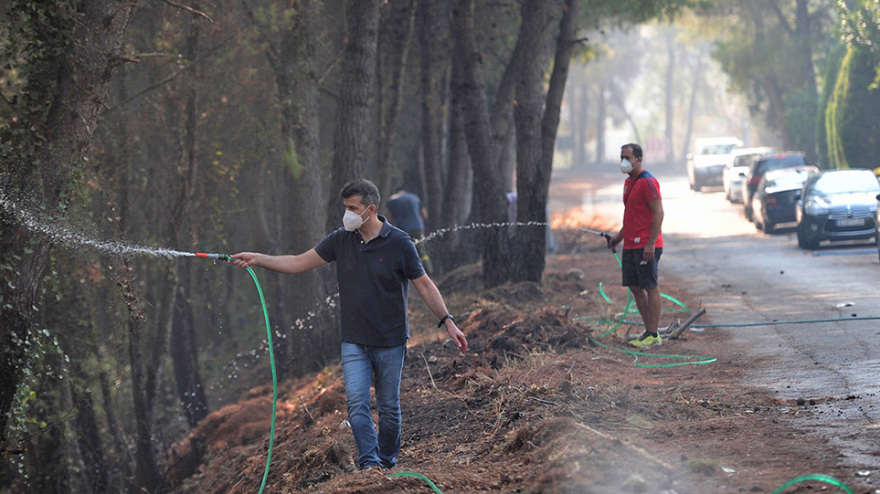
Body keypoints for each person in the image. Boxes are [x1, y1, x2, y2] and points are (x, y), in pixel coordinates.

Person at [231, 179, 467, 471]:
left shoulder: (399, 243)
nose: (347, 214)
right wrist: (257, 259)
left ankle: (387, 460)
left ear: (371, 209)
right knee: (356, 404)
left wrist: (448, 322)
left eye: (353, 208)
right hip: (354, 340)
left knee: (389, 407)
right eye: (345, 207)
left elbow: (425, 285)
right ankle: (369, 464)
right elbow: (297, 262)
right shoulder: (340, 240)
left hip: (390, 340)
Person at [606, 143, 665, 347]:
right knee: (635, 287)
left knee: (650, 286)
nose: (623, 161)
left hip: (646, 245)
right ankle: (649, 330)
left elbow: (659, 213)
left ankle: (653, 334)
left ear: (638, 160)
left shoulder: (648, 182)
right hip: (630, 245)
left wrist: (650, 244)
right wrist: (619, 237)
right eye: (621, 157)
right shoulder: (628, 183)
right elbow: (632, 216)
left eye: (628, 158)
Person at [385, 187, 433, 273]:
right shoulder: (415, 197)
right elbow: (424, 215)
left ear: (395, 192)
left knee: (402, 251)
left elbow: (389, 219)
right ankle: (428, 272)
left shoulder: (393, 200)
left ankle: (405, 273)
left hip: (402, 229)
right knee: (421, 250)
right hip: (418, 228)